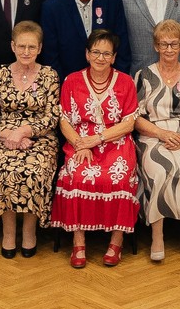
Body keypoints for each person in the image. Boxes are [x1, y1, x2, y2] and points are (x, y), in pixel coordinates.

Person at [51, 29, 141, 268]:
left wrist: (97, 139)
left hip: (115, 141)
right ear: (87, 54)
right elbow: (63, 120)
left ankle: (116, 241)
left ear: (114, 57)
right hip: (80, 142)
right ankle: (78, 242)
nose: (101, 58)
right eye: (96, 52)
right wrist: (80, 143)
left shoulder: (126, 81)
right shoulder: (71, 81)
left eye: (106, 54)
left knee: (119, 177)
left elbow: (129, 123)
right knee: (76, 174)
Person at [0, 21, 62, 258]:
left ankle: (29, 232)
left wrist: (25, 132)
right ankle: (8, 233)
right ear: (12, 46)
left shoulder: (49, 75)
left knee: (35, 171)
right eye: (21, 46)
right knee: (3, 171)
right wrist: (11, 135)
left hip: (41, 140)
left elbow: (52, 117)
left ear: (40, 48)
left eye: (31, 47)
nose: (26, 52)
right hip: (5, 139)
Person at [133, 20, 180, 261]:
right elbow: (135, 118)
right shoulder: (144, 76)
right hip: (152, 134)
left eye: (174, 44)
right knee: (161, 170)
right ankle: (158, 235)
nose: (169, 49)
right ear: (156, 46)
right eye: (164, 44)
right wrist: (162, 134)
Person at [41, 0, 132, 78]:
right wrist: (64, 85)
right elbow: (51, 55)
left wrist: (117, 80)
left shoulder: (112, 0)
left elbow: (122, 46)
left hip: (108, 80)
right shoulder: (53, 7)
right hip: (69, 81)